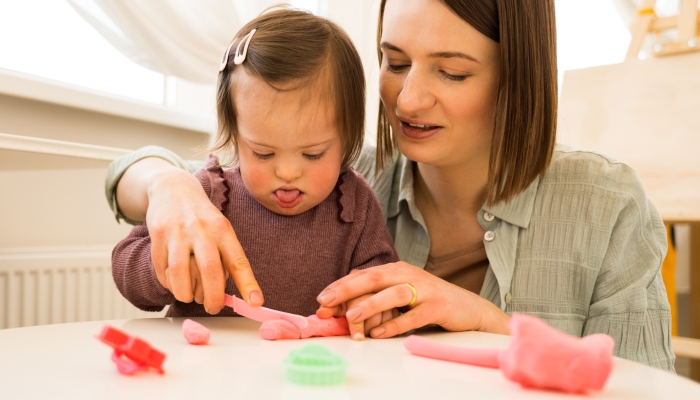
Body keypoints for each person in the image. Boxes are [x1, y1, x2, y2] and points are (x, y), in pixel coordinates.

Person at [106, 0, 674, 370]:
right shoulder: (333, 171)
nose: (407, 100)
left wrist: (491, 324)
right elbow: (145, 177)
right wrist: (167, 186)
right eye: (395, 61)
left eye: (451, 71)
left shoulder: (607, 206)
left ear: (518, 76)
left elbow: (643, 385)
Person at [110, 8, 399, 336]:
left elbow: (383, 280)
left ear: (348, 138)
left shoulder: (355, 206)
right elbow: (125, 268)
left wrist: (372, 304)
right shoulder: (208, 195)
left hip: (307, 372)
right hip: (206, 370)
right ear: (235, 134)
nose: (288, 172)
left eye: (313, 153)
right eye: (263, 152)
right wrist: (168, 266)